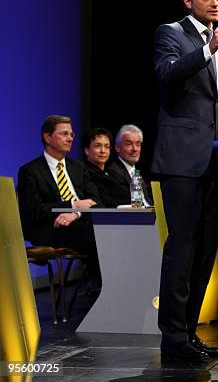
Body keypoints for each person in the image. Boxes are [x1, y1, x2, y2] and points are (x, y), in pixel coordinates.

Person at [151, 0, 218, 364]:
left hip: (216, 159)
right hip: (181, 159)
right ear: (188, 1)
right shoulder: (171, 33)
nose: (215, 2)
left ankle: (189, 334)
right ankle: (172, 340)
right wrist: (207, 48)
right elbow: (166, 75)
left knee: (206, 251)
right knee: (182, 249)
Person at [18, 115, 101, 280]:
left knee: (110, 228)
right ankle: (101, 285)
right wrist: (71, 204)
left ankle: (106, 286)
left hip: (81, 222)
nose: (70, 138)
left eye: (71, 134)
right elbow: (34, 210)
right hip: (52, 228)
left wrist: (75, 213)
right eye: (64, 134)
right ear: (47, 137)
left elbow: (95, 201)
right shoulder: (30, 171)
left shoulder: (78, 167)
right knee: (98, 233)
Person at [83, 128, 130, 208]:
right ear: (87, 150)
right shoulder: (83, 173)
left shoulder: (113, 172)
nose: (103, 151)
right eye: (98, 146)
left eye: (107, 146)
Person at [109, 124, 152, 206]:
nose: (135, 149)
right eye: (129, 144)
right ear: (117, 147)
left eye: (138, 144)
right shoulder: (113, 172)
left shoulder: (137, 173)